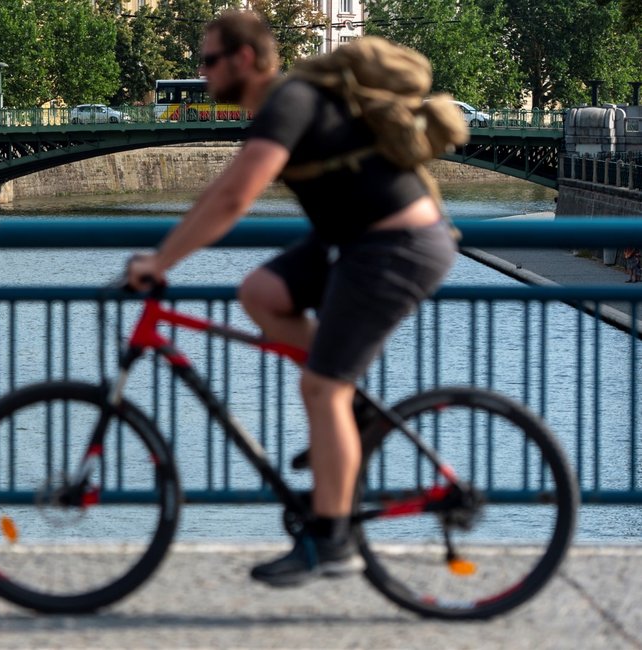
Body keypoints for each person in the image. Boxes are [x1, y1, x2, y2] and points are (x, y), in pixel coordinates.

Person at [126, 10, 457, 586]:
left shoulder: (288, 101)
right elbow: (224, 190)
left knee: (319, 386)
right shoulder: (281, 104)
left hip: (397, 246)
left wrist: (160, 261)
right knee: (259, 292)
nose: (201, 73)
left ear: (244, 59)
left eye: (208, 61)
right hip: (351, 240)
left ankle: (332, 540)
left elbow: (233, 198)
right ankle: (351, 411)